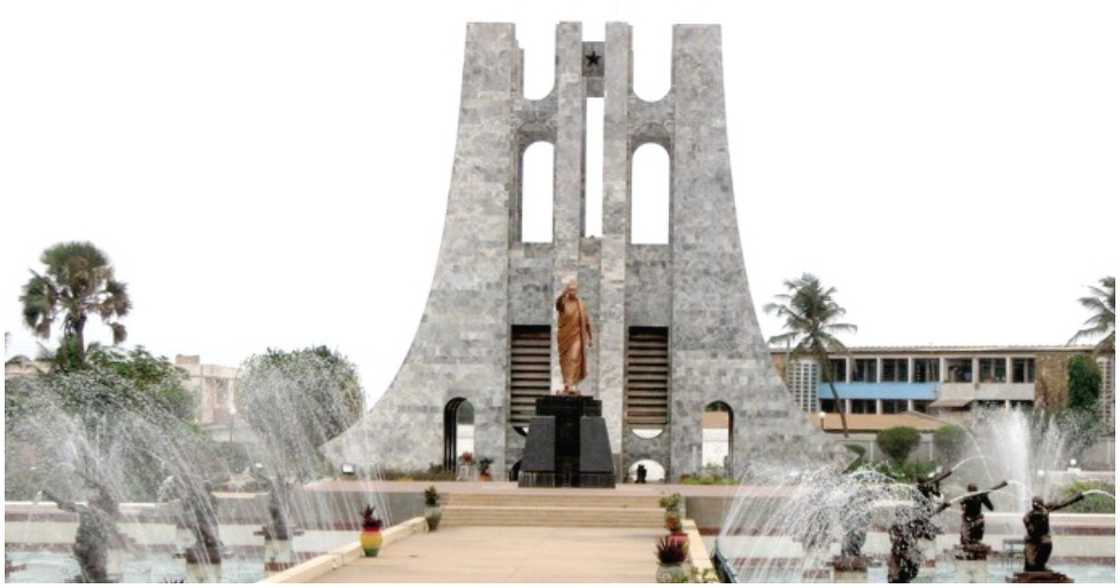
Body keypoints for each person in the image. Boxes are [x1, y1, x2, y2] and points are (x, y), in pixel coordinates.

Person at [1023, 493, 1085, 572]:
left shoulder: (1046, 509)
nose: (1039, 512)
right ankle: (1034, 566)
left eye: (1040, 508)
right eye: (1037, 510)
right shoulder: (1027, 517)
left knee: (1047, 542)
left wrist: (1076, 497)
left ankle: (1041, 565)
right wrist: (1034, 523)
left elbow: (1062, 503)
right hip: (1032, 540)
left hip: (1043, 537)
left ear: (1042, 505)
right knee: (1030, 565)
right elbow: (1031, 531)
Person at [555, 281, 592, 395]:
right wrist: (562, 294)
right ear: (567, 290)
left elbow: (587, 321)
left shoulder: (581, 305)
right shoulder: (563, 303)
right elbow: (558, 304)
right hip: (564, 337)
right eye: (570, 289)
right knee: (565, 361)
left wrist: (590, 337)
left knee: (574, 358)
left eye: (574, 290)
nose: (573, 292)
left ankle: (571, 384)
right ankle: (567, 384)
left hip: (577, 336)